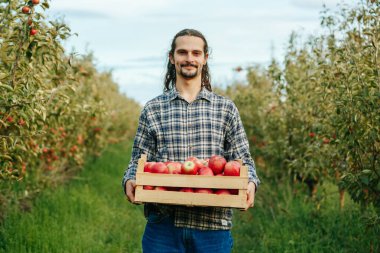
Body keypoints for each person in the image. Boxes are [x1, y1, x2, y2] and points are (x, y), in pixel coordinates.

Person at [122, 28, 260, 253]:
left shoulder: (225, 109)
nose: (189, 58)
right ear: (172, 58)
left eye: (196, 53)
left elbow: (244, 162)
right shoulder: (153, 109)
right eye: (182, 52)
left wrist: (251, 184)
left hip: (212, 226)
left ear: (205, 58)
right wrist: (129, 182)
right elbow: (137, 161)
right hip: (164, 226)